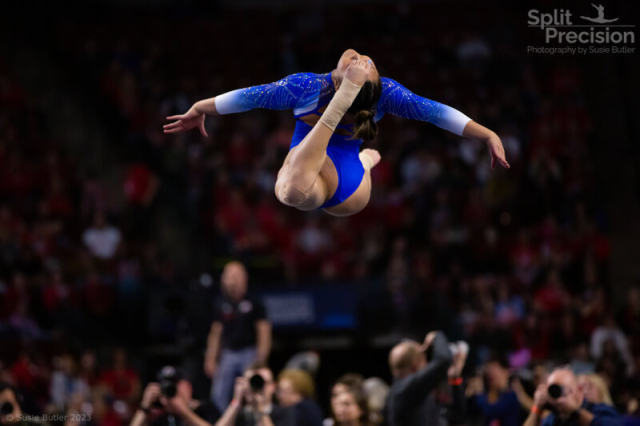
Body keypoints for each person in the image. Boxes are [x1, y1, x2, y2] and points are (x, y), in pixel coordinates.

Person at [164, 49, 509, 217]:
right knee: (292, 190)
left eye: (364, 70)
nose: (363, 60)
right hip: (314, 172)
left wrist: (484, 134)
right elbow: (253, 96)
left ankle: (363, 162)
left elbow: (435, 113)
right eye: (365, 62)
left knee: (290, 188)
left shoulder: (375, 93)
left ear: (352, 85)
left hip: (350, 188)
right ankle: (365, 161)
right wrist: (201, 107)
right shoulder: (305, 87)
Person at [205, 262, 272, 411]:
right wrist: (210, 358)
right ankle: (218, 418)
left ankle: (257, 415)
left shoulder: (254, 301)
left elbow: (264, 330)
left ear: (244, 278)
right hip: (228, 354)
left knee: (253, 388)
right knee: (219, 392)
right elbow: (216, 333)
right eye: (227, 276)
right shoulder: (221, 303)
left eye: (234, 276)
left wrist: (261, 358)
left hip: (250, 352)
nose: (230, 280)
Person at [384, 331, 453, 426]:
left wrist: (455, 376)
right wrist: (436, 336)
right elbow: (444, 360)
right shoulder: (407, 388)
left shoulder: (400, 389)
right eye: (423, 356)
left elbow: (450, 413)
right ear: (416, 364)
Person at [523, 367, 622, 426]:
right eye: (554, 389)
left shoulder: (598, 409)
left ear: (578, 390)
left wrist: (575, 410)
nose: (560, 394)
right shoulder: (554, 419)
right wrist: (537, 408)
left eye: (565, 389)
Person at [131, 366, 220, 426]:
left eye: (175, 385)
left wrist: (184, 411)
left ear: (188, 386)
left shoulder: (206, 409)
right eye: (166, 387)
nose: (173, 391)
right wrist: (144, 408)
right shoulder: (164, 419)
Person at [215, 364, 293, 426]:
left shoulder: (284, 413)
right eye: (251, 382)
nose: (255, 387)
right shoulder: (238, 415)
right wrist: (236, 402)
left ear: (272, 386)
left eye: (261, 382)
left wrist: (261, 410)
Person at [467, 354, 522, 426]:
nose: (490, 373)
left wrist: (479, 392)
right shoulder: (486, 395)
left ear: (505, 371)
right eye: (488, 370)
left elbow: (491, 411)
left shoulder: (511, 396)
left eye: (494, 369)